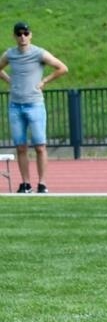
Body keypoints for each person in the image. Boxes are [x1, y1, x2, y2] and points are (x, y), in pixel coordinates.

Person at [0, 22, 68, 194]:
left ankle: (42, 183)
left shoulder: (39, 53)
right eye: (19, 33)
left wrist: (45, 81)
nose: (22, 36)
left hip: (34, 104)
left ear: (31, 35)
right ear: (14, 36)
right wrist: (9, 80)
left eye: (25, 33)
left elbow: (62, 68)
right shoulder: (10, 54)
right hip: (16, 105)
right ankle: (25, 183)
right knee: (21, 147)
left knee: (40, 146)